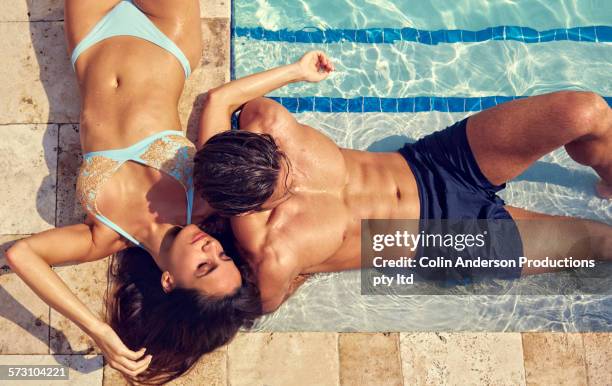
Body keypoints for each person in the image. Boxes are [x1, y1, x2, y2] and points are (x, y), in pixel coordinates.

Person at [194, 51, 612, 312]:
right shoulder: (272, 255)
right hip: (445, 238)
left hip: (433, 162)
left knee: (587, 112)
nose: (295, 175)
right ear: (246, 208)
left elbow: (217, 99)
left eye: (281, 162)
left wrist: (299, 71)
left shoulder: (265, 122)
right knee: (601, 242)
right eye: (281, 190)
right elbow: (242, 305)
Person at [6, 1, 260, 384]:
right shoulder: (204, 199)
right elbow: (220, 101)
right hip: (166, 34)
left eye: (205, 266)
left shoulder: (105, 235)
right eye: (223, 255)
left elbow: (21, 254)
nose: (210, 248)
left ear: (169, 282)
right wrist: (299, 72)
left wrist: (99, 330)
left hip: (91, 38)